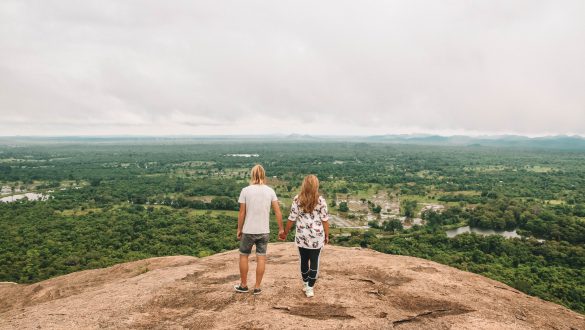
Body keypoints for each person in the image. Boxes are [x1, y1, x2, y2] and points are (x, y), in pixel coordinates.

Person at [234, 164, 284, 295]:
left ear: (252, 175)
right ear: (263, 175)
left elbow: (241, 213)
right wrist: (281, 229)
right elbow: (278, 211)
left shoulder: (245, 190)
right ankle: (257, 287)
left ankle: (243, 285)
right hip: (264, 230)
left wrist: (239, 228)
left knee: (244, 256)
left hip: (248, 230)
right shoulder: (270, 191)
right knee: (261, 258)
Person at [279, 174, 329, 298]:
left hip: (302, 236)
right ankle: (310, 288)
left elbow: (291, 218)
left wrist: (285, 232)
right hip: (316, 237)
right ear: (316, 186)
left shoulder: (297, 199)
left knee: (303, 261)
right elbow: (325, 220)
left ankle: (306, 283)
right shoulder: (321, 200)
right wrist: (327, 235)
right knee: (314, 261)